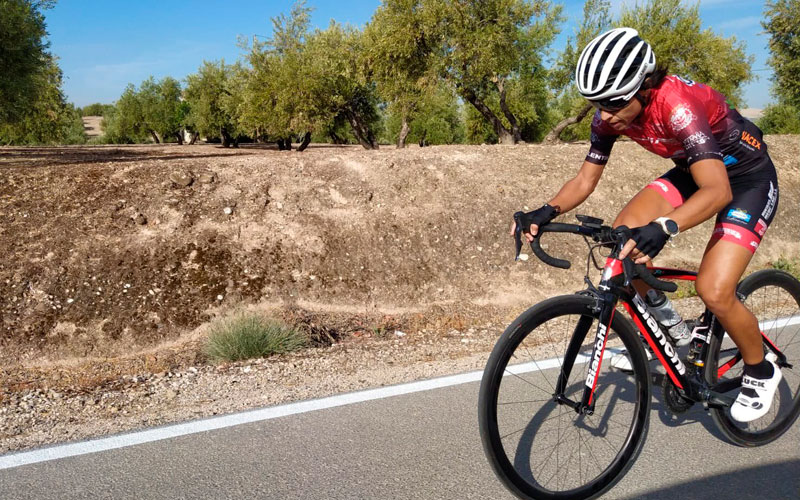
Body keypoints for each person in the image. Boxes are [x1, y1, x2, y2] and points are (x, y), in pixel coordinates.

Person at [513, 27, 781, 423]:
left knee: (714, 289)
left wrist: (666, 226)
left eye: (614, 103)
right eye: (596, 104)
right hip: (695, 170)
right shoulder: (610, 116)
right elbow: (586, 180)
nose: (605, 115)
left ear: (644, 87)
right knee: (623, 239)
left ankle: (761, 370)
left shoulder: (677, 106)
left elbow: (718, 191)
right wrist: (545, 211)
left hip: (746, 182)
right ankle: (669, 326)